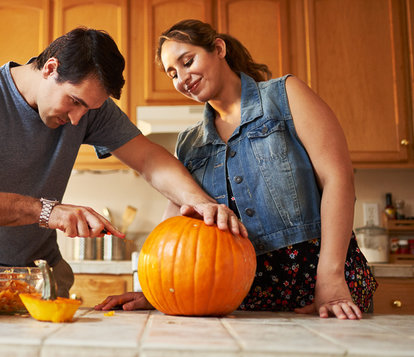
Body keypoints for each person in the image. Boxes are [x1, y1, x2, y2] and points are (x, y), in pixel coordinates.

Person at [0, 27, 247, 306]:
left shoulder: (88, 110)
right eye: (74, 102)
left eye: (88, 109)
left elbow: (149, 159)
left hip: (40, 281)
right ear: (50, 68)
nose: (77, 120)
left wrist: (201, 202)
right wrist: (48, 212)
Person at [95, 19, 377, 319]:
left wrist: (331, 279)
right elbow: (174, 227)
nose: (181, 78)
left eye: (187, 61)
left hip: (324, 287)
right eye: (172, 73)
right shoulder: (190, 143)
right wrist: (157, 290)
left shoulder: (285, 96)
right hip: (243, 299)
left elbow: (338, 179)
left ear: (218, 48)